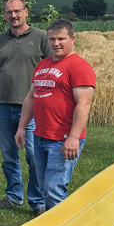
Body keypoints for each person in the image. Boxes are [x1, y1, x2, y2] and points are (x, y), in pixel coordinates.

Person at [15, 19, 96, 212]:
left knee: (54, 189)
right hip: (41, 136)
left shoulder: (79, 66)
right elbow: (31, 98)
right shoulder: (42, 65)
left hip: (63, 139)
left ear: (72, 38)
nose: (55, 43)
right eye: (52, 39)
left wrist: (74, 138)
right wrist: (21, 128)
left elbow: (84, 103)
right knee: (44, 187)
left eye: (61, 39)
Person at [0, 0, 49, 214]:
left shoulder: (42, 38)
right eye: (9, 12)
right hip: (3, 106)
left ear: (26, 12)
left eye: (17, 11)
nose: (13, 16)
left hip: (32, 108)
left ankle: (38, 201)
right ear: (4, 15)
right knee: (9, 154)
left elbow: (52, 70)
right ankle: (14, 195)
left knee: (32, 154)